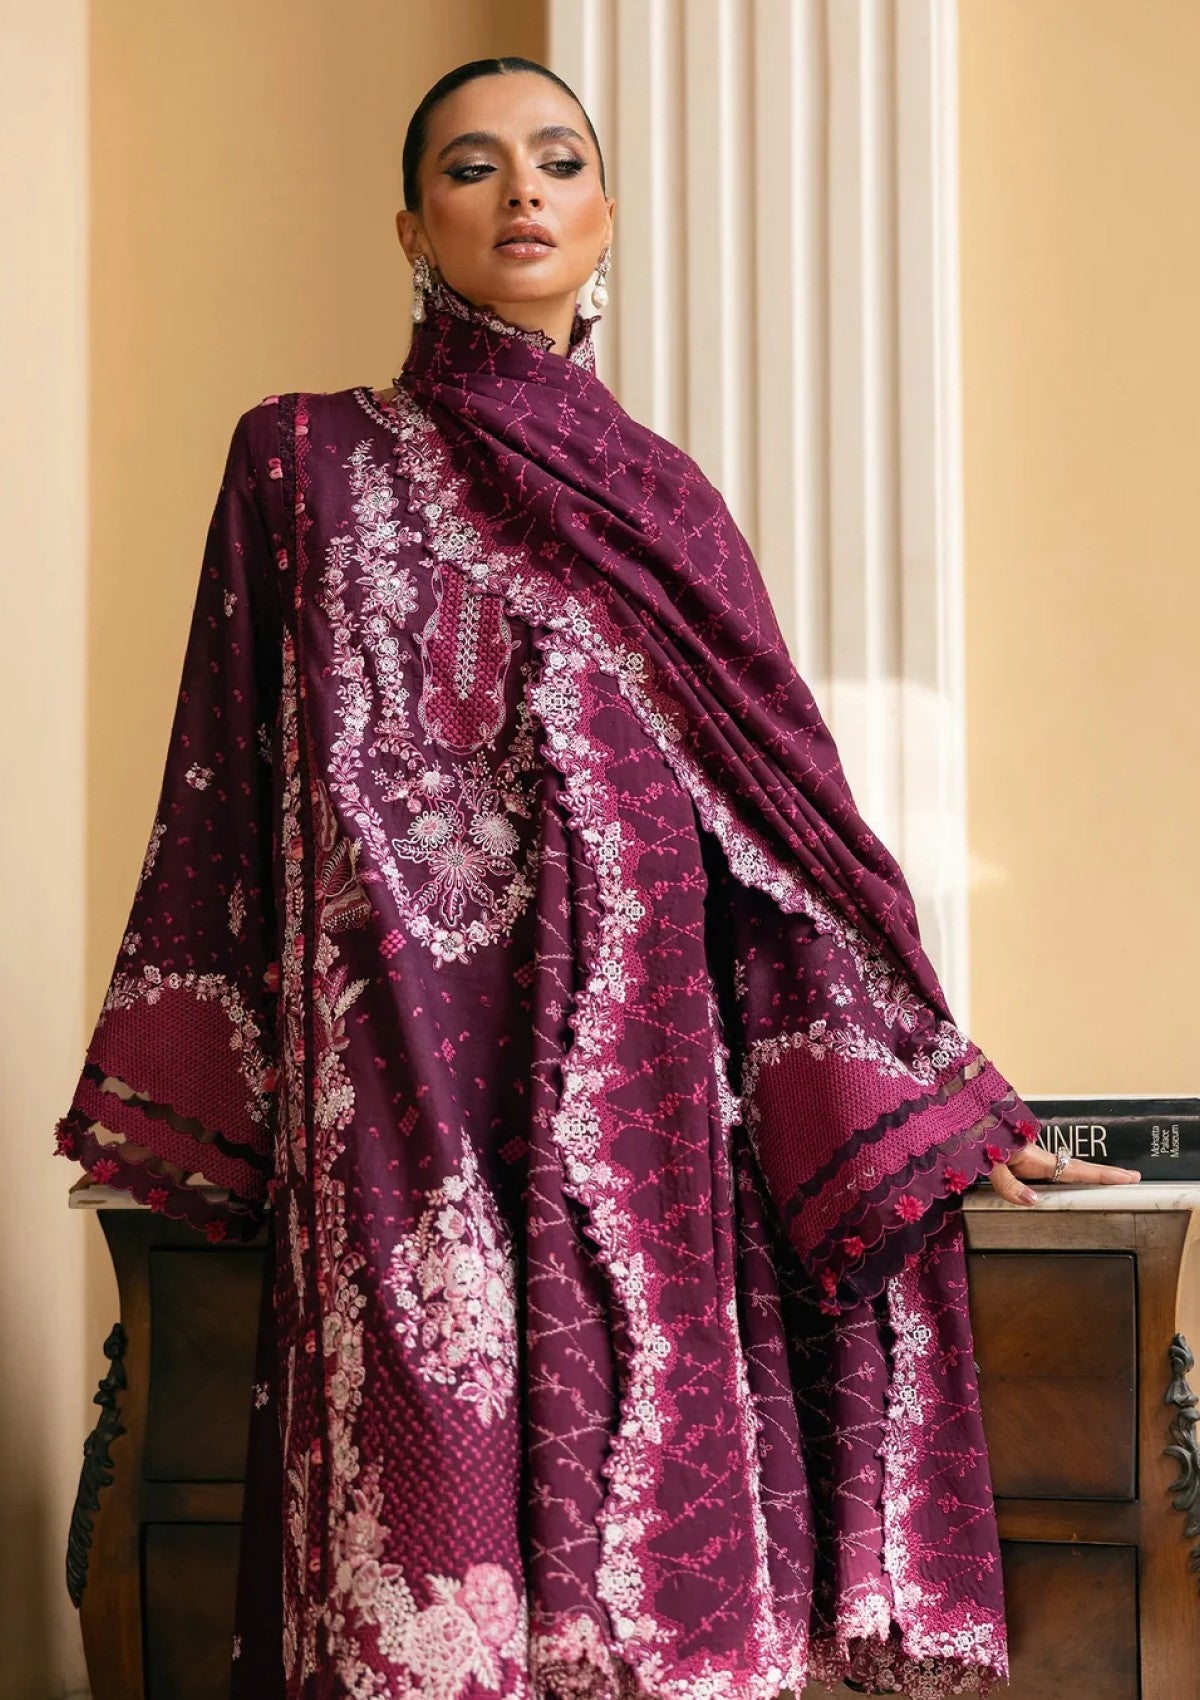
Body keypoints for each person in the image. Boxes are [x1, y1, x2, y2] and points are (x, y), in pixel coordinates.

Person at [54, 55, 1139, 1700]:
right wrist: (223, 1104)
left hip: (641, 1109)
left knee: (638, 1586)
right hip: (402, 1107)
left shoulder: (668, 505)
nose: (523, 191)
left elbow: (783, 850)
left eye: (559, 160)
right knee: (422, 1577)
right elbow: (223, 782)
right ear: (412, 226)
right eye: (473, 166)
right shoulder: (302, 461)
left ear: (606, 213)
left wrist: (930, 1110)